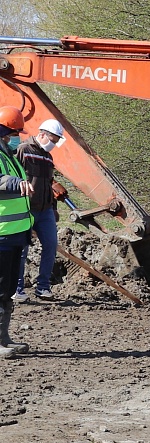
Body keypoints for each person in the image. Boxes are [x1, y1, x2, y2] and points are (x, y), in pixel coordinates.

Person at [12, 119, 64, 301]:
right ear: (42, 134)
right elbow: (13, 177)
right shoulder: (23, 150)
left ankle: (43, 287)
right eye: (53, 140)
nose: (54, 144)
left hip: (45, 210)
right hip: (26, 208)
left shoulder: (48, 158)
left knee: (50, 244)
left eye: (57, 141)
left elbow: (48, 184)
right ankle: (16, 289)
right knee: (21, 249)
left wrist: (54, 207)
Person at [0, 106, 34, 358]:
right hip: (1, 235)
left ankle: (4, 338)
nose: (15, 136)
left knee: (8, 288)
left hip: (15, 235)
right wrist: (15, 182)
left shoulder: (9, 155)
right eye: (12, 132)